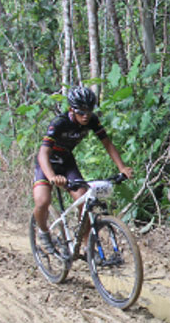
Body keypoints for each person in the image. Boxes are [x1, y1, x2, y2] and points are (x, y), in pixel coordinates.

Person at [33, 86, 133, 254]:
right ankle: (43, 233)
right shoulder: (59, 123)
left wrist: (122, 168)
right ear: (71, 109)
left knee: (83, 199)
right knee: (42, 201)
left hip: (66, 161)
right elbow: (43, 153)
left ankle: (87, 244)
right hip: (48, 163)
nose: (86, 116)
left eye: (89, 111)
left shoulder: (92, 120)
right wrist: (51, 176)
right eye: (81, 112)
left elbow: (107, 143)